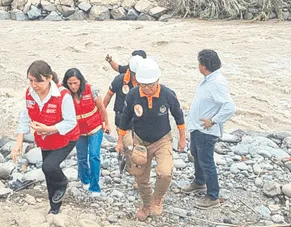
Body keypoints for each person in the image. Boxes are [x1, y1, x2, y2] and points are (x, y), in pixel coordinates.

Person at [116, 58, 186, 221]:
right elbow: (125, 118)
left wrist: (182, 137)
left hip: (162, 139)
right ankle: (146, 204)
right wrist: (120, 141)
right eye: (143, 85)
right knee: (140, 177)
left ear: (158, 81)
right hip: (140, 141)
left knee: (165, 172)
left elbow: (178, 115)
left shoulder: (167, 94)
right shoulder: (133, 95)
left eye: (150, 85)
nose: (147, 88)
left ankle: (157, 199)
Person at [11, 61, 79, 215]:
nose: (34, 85)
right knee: (49, 175)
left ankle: (63, 182)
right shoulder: (30, 94)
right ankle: (54, 208)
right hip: (45, 140)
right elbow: (25, 116)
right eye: (30, 80)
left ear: (49, 78)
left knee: (49, 167)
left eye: (38, 81)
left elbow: (71, 122)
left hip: (66, 138)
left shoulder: (63, 95)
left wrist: (49, 129)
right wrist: (18, 143)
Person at [182, 49, 236, 209]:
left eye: (199, 63)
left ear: (204, 66)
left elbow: (230, 107)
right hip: (198, 128)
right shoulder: (209, 79)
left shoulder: (217, 83)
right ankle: (199, 182)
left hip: (206, 131)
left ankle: (213, 196)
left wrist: (213, 121)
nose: (198, 65)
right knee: (196, 154)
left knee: (207, 162)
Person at [62, 68, 110, 196]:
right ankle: (84, 179)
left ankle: (95, 186)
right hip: (78, 131)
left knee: (94, 155)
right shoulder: (64, 95)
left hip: (95, 127)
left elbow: (102, 108)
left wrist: (107, 124)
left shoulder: (91, 90)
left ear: (80, 81)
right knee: (82, 157)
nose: (73, 86)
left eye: (76, 83)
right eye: (70, 83)